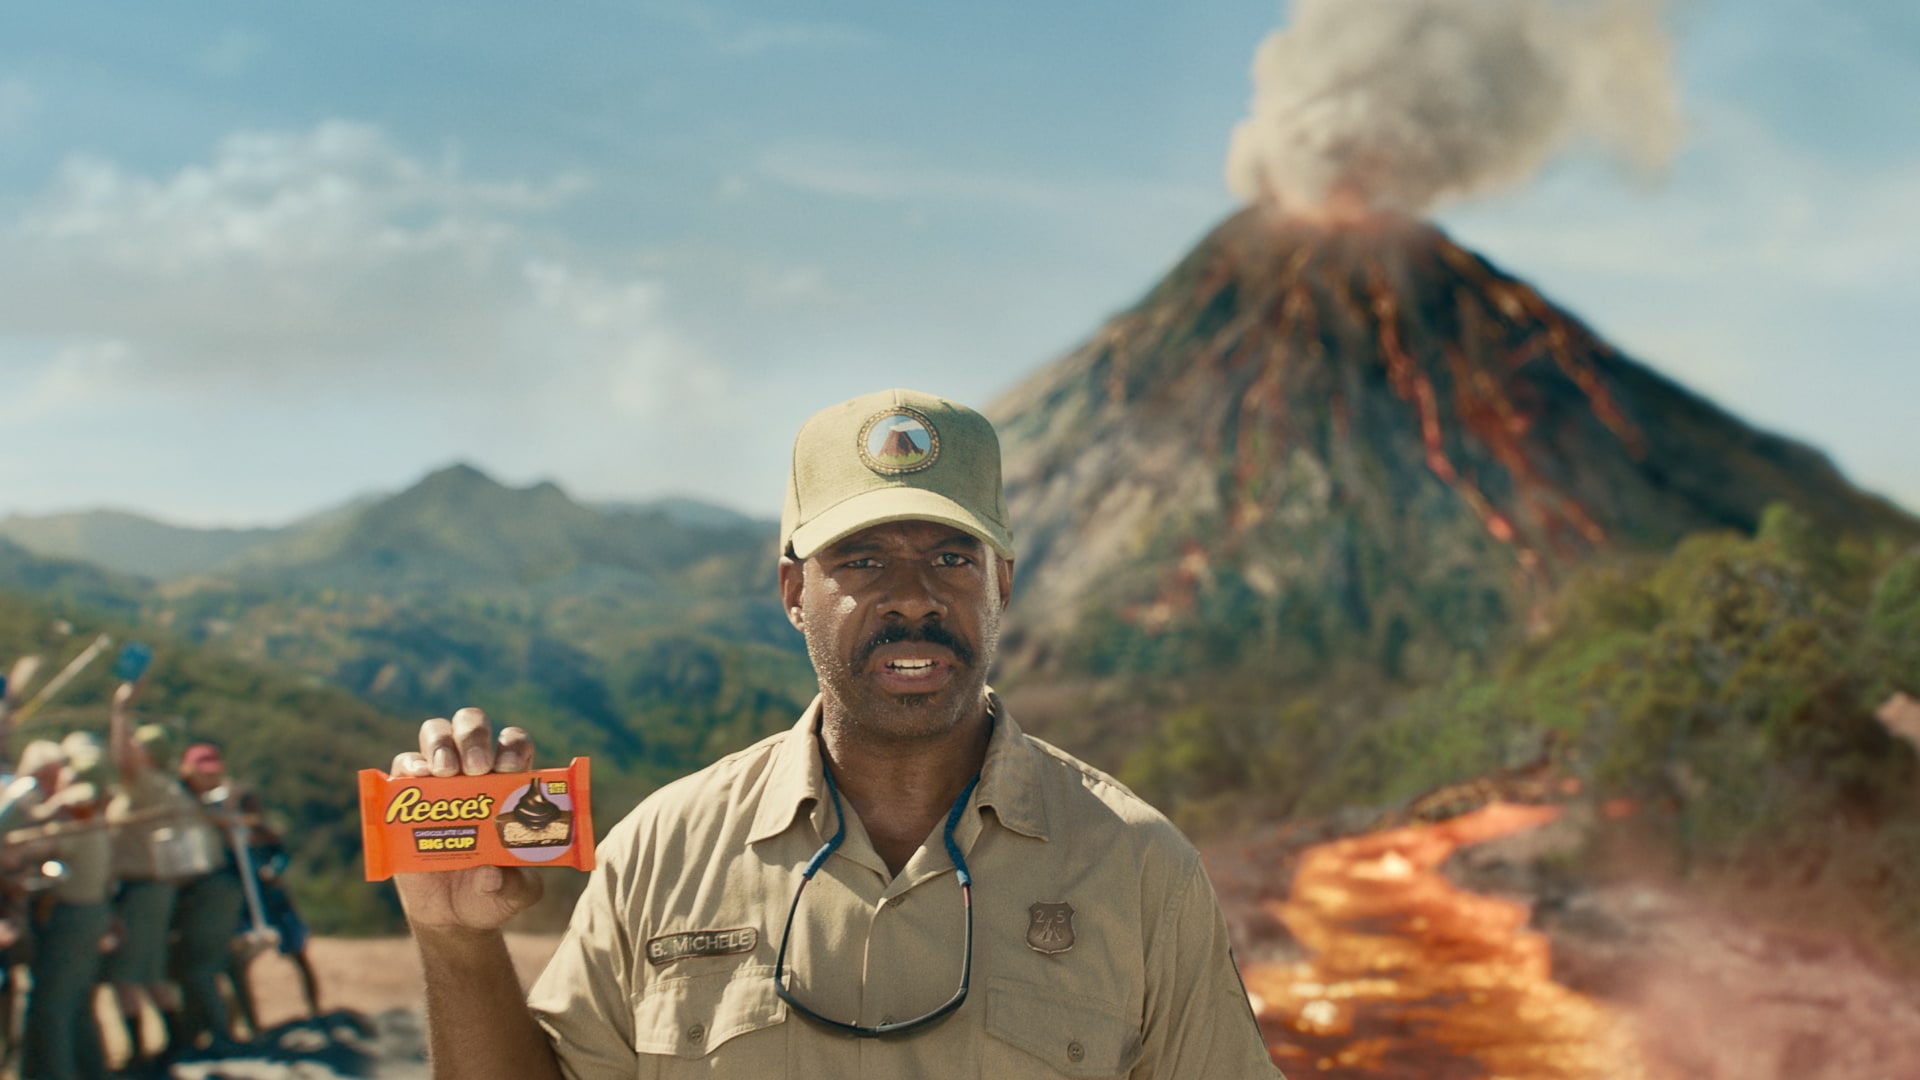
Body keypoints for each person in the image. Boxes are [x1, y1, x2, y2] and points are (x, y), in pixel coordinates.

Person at [388, 389, 1283, 1078]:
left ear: (1001, 583)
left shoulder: (1134, 866)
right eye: (861, 560)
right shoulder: (662, 851)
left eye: (951, 558)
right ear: (792, 593)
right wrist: (456, 942)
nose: (913, 595)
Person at [20, 735, 116, 1080]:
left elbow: (43, 847)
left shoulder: (78, 806)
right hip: (90, 912)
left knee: (53, 1009)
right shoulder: (92, 808)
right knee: (75, 1005)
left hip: (74, 915)